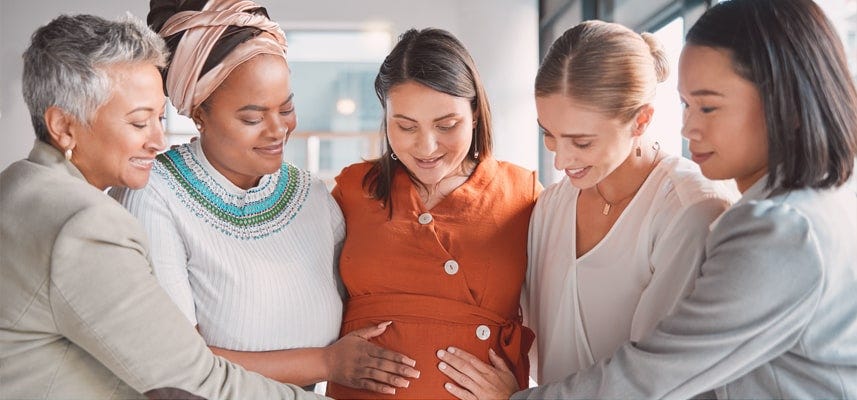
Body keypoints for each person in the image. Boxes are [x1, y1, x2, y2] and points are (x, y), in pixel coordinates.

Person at [439, 0, 857, 398]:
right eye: (685, 104)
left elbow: (654, 377)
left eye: (708, 108)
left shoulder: (776, 229)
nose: (689, 127)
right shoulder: (806, 208)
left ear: (783, 101)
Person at [0, 13, 323, 399]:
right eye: (139, 124)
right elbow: (192, 382)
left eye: (159, 117)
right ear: (64, 126)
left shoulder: (19, 185)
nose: (158, 140)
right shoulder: (84, 225)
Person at [110, 0, 418, 394]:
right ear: (199, 114)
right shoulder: (154, 194)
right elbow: (174, 363)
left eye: (287, 108)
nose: (278, 130)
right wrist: (326, 362)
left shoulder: (312, 195)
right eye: (252, 118)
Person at [434, 19, 736, 398]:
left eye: (582, 142)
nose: (560, 161)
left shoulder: (690, 211)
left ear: (641, 120)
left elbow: (650, 382)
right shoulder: (552, 205)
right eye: (549, 134)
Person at [324, 28, 541, 399]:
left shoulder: (523, 195)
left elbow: (565, 314)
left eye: (446, 125)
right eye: (405, 126)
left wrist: (520, 396)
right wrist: (325, 360)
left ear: (474, 113)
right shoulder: (352, 189)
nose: (426, 147)